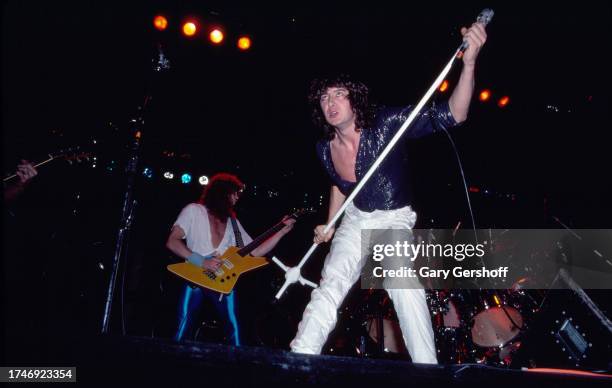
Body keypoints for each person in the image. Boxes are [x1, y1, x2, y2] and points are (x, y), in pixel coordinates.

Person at [290, 23, 487, 363]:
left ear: (355, 97)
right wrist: (331, 225)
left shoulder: (386, 123)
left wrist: (468, 64)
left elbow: (454, 113)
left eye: (339, 94)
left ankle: (426, 368)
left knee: (400, 277)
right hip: (354, 219)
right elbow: (340, 185)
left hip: (392, 216)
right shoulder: (324, 148)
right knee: (330, 283)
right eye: (324, 97)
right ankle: (298, 357)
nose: (330, 102)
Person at [166, 172, 295, 346]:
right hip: (195, 278)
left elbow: (255, 251)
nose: (237, 198)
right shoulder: (193, 211)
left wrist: (281, 231)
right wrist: (201, 261)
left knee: (236, 332)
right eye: (234, 194)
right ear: (222, 193)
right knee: (182, 328)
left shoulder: (233, 222)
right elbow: (172, 242)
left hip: (222, 282)